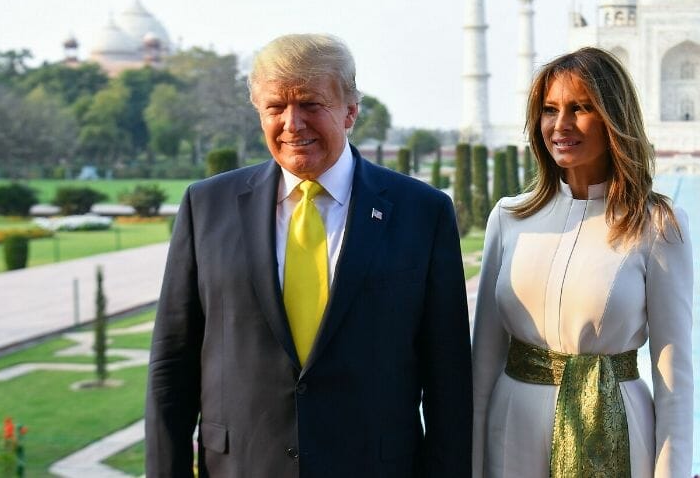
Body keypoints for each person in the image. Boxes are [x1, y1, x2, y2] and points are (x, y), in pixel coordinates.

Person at [145, 34, 472, 477]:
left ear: (351, 110)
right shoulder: (206, 207)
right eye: (275, 107)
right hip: (243, 466)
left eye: (311, 104)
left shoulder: (421, 212)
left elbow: (447, 376)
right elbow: (172, 364)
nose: (292, 123)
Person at [471, 47, 694, 477]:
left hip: (615, 430)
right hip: (512, 429)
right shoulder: (511, 218)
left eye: (581, 108)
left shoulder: (655, 225)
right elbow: (482, 367)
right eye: (550, 110)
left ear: (614, 117)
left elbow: (674, 381)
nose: (561, 124)